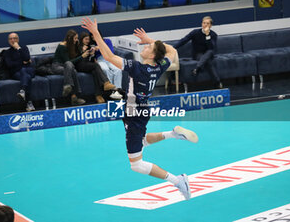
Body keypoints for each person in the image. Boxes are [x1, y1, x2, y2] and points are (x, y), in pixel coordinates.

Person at [81, 17, 198, 200]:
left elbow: (110, 57)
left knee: (136, 165)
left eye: (147, 48)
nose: (143, 47)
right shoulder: (158, 66)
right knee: (141, 141)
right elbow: (172, 51)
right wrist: (151, 41)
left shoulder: (137, 69)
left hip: (135, 115)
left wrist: (96, 32)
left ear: (151, 55)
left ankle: (178, 181)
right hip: (140, 113)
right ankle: (173, 134)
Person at [174, 16, 222, 89]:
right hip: (197, 54)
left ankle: (197, 68)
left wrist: (207, 35)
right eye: (204, 23)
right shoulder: (195, 32)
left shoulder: (213, 35)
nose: (205, 25)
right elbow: (184, 40)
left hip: (209, 54)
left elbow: (211, 47)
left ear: (211, 25)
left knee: (209, 52)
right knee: (208, 62)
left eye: (207, 23)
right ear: (201, 24)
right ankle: (217, 82)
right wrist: (172, 47)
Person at [77, 32, 121, 103]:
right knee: (105, 69)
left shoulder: (107, 41)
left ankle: (117, 91)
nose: (93, 38)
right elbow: (90, 57)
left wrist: (98, 49)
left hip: (109, 58)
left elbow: (110, 51)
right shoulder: (91, 45)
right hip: (98, 60)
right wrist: (91, 53)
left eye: (94, 36)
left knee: (118, 69)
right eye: (92, 37)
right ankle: (109, 90)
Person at [52, 29, 86, 105]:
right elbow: (68, 62)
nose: (77, 40)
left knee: (72, 70)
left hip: (67, 66)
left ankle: (69, 88)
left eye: (77, 38)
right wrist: (82, 56)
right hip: (57, 66)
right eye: (75, 38)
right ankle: (74, 94)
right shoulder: (62, 46)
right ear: (70, 38)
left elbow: (73, 59)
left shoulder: (73, 45)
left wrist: (82, 51)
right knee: (69, 65)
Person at [3, 32, 35, 112]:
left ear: (18, 39)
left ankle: (23, 92)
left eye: (14, 38)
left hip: (28, 70)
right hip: (16, 73)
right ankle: (28, 102)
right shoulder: (7, 52)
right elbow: (9, 65)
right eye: (10, 39)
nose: (13, 40)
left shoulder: (24, 48)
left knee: (25, 71)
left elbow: (27, 58)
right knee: (26, 76)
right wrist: (23, 62)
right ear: (8, 41)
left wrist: (18, 49)